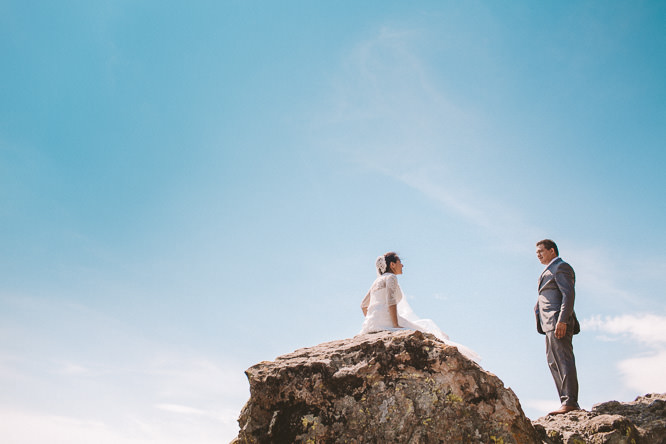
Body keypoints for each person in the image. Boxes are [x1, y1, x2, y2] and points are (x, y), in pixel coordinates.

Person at [359, 252, 480, 362]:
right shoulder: (391, 278)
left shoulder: (376, 281)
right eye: (400, 262)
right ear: (392, 264)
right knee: (424, 328)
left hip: (371, 324)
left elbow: (363, 305)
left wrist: (372, 318)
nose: (402, 265)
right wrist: (395, 325)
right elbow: (391, 301)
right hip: (388, 320)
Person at [534, 239, 581, 415]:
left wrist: (563, 320)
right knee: (553, 362)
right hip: (548, 324)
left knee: (563, 359)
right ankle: (565, 401)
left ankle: (570, 402)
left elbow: (568, 295)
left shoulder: (561, 267)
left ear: (552, 251)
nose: (538, 255)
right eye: (536, 252)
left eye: (541, 251)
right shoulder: (548, 270)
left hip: (557, 322)